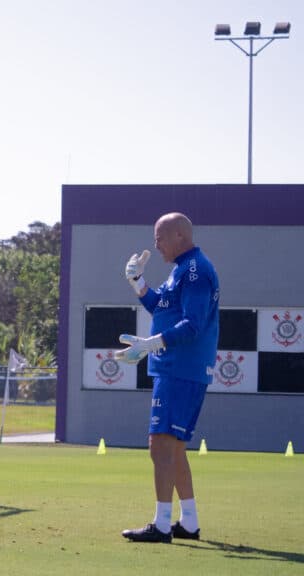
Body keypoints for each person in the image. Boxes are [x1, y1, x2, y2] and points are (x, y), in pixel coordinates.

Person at [117, 212, 219, 544]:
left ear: (179, 236)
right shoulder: (182, 271)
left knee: (159, 446)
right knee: (173, 450)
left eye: (159, 237)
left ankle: (161, 526)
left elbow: (193, 324)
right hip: (177, 368)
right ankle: (188, 522)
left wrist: (152, 343)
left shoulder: (194, 271)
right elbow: (161, 306)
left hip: (180, 369)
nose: (155, 243)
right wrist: (138, 284)